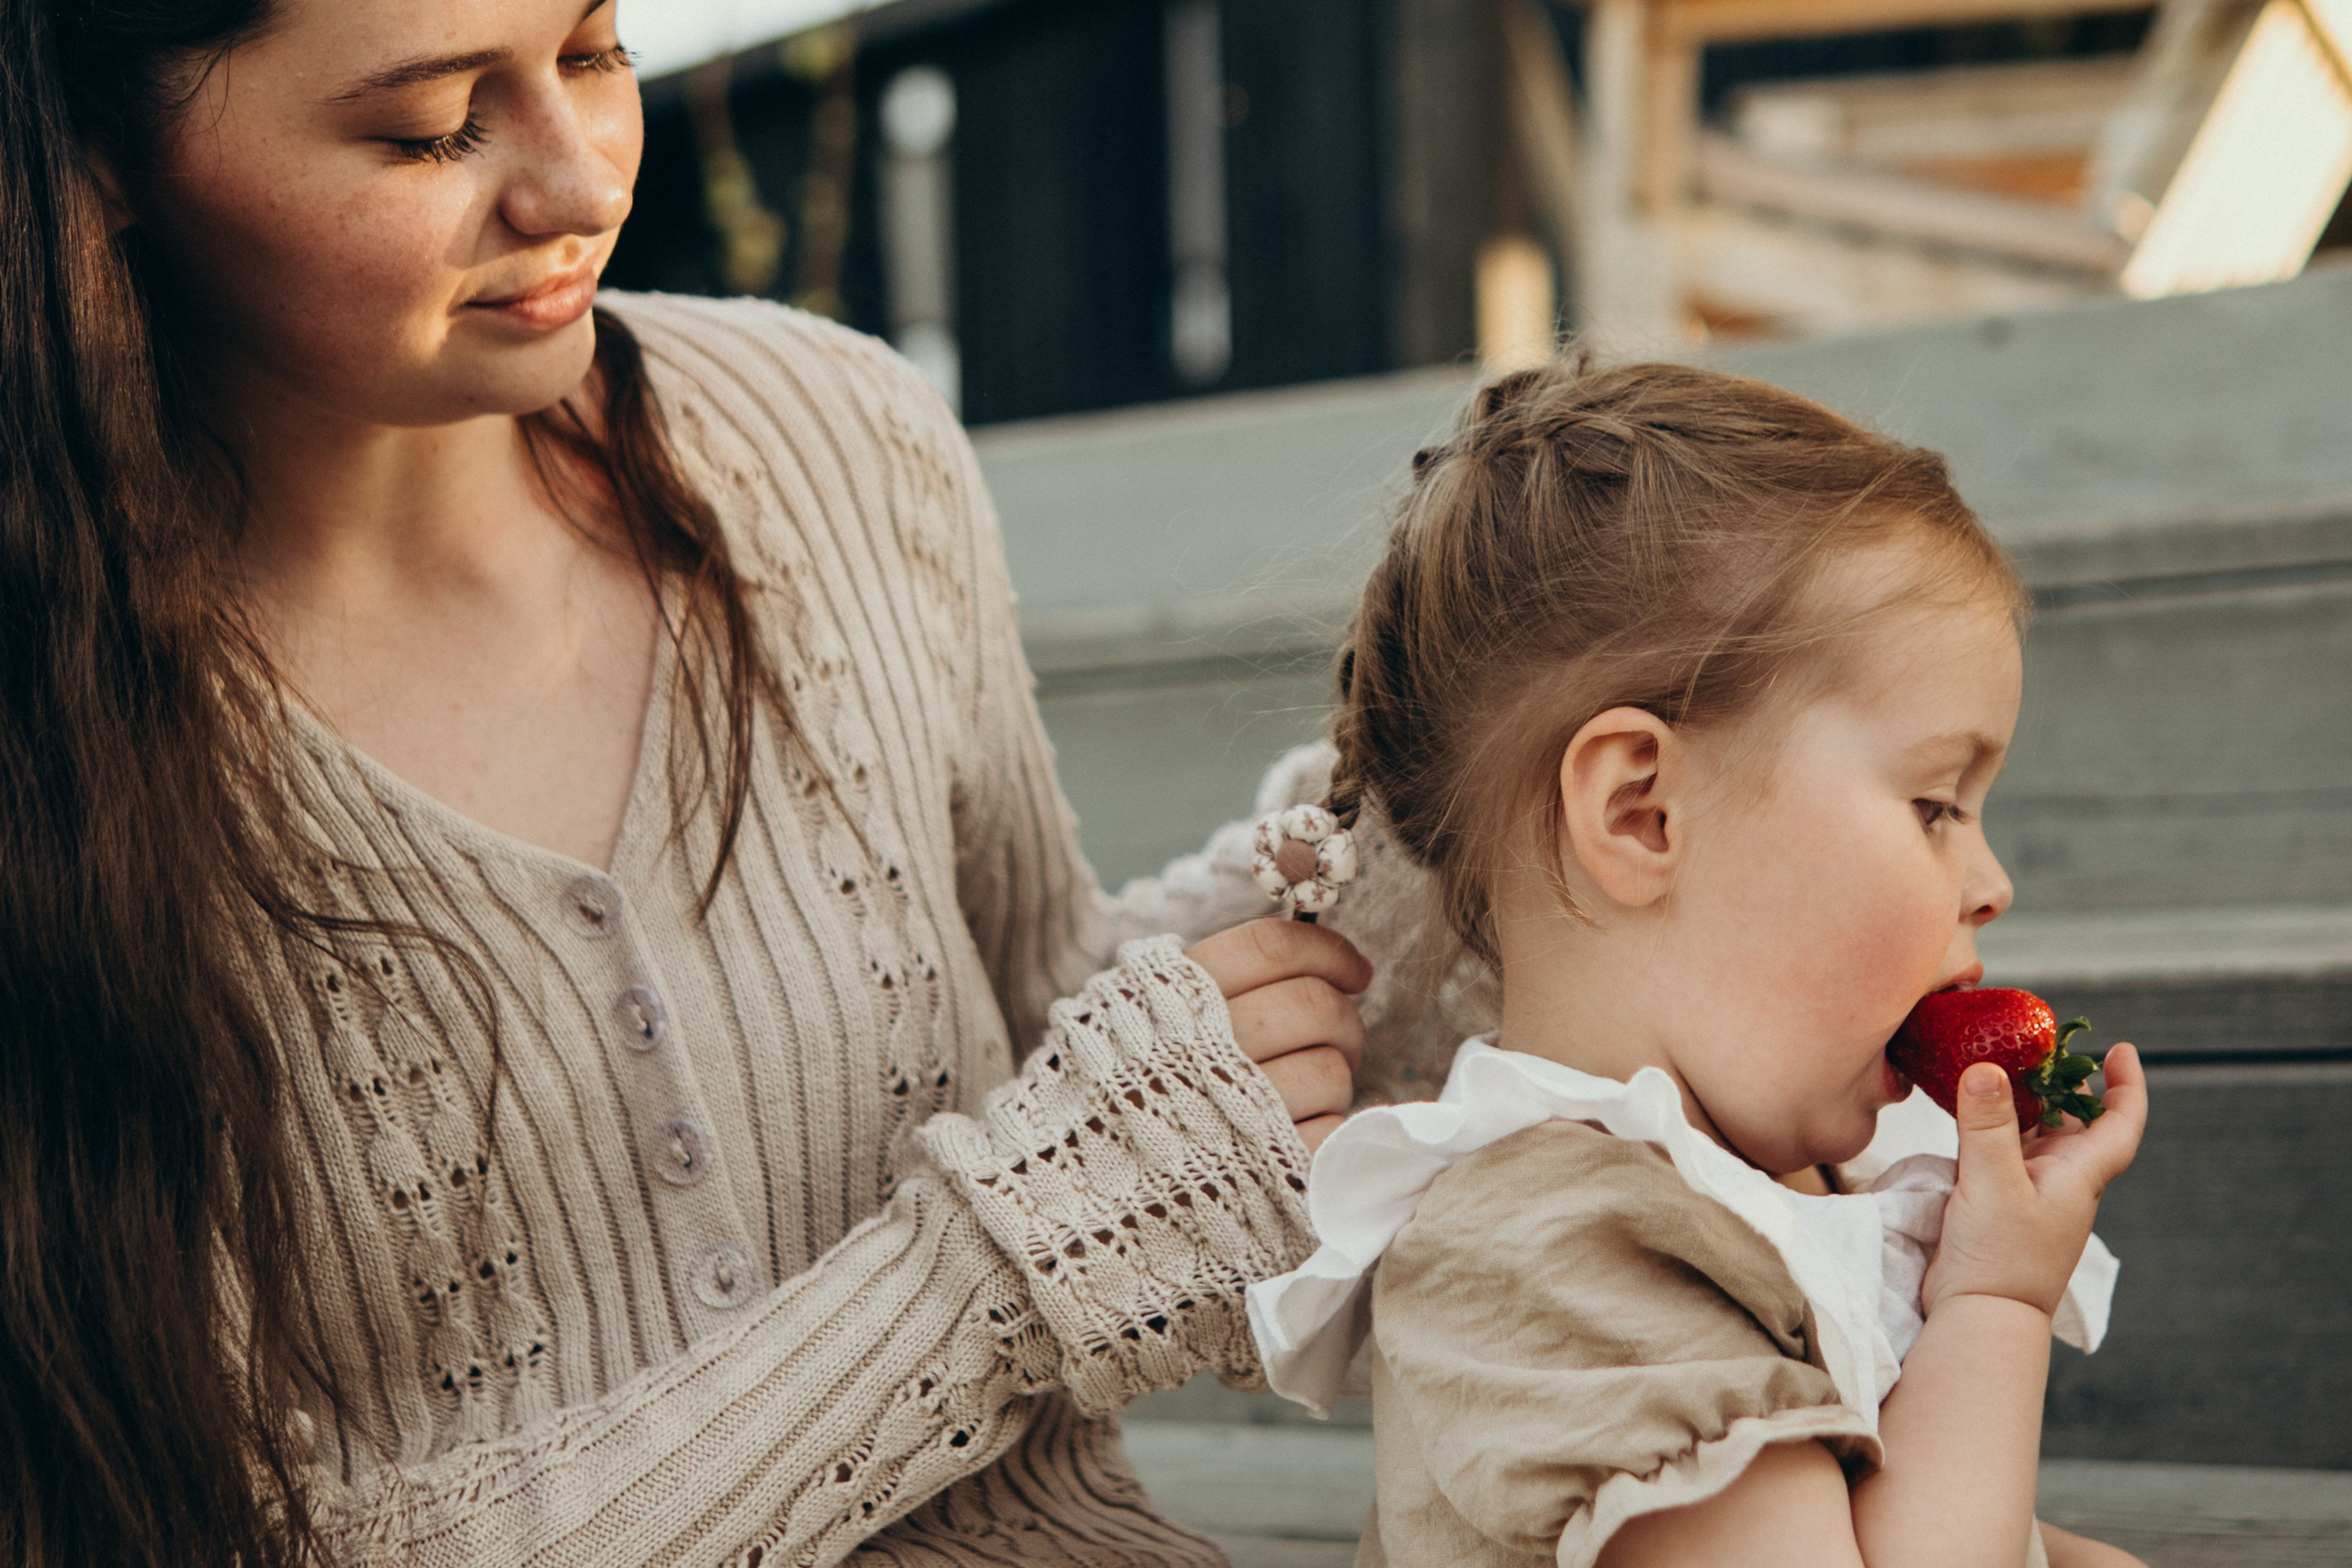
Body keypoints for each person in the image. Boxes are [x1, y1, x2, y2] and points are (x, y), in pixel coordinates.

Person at [0, 2, 1384, 1563]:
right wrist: (1002, 1271)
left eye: (595, 53)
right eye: (436, 125)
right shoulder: (52, 743)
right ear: (102, 151)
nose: (583, 184)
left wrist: (1386, 851)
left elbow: (1032, 1004)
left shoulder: (837, 438)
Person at [1241, 362, 2151, 1567]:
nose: (1993, 882)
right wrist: (1994, 1303)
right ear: (1643, 816)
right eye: (1936, 803)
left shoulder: (1768, 1190)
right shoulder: (1549, 1252)